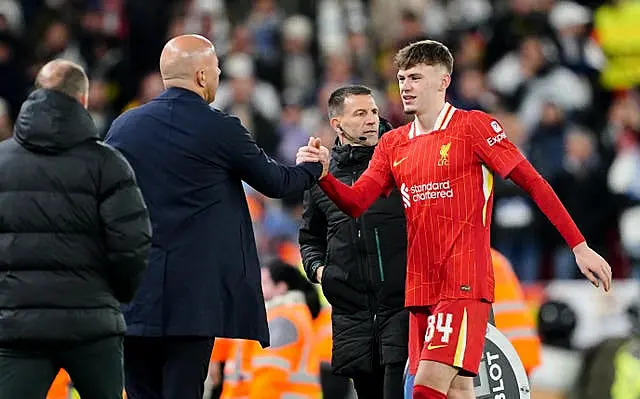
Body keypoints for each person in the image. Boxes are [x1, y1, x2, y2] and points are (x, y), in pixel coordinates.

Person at [296, 39, 612, 399]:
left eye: (415, 77)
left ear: (443, 81)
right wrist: (323, 175)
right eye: (401, 78)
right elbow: (354, 204)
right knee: (459, 391)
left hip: (461, 283)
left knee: (425, 391)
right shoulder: (393, 143)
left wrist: (579, 245)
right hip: (417, 293)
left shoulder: (474, 127)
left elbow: (535, 184)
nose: (405, 87)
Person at [104, 34, 322, 399]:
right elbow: (275, 182)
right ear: (203, 76)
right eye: (217, 70)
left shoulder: (123, 128)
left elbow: (105, 202)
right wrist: (313, 168)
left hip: (134, 295)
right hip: (194, 300)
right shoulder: (219, 127)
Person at [0, 59, 151, 399]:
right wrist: (115, 296)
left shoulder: (1, 163)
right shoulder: (108, 164)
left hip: (17, 326)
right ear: (83, 100)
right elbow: (133, 243)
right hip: (92, 326)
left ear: (34, 94)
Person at [299, 84, 408, 398]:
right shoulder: (322, 176)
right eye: (360, 113)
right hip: (352, 314)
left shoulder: (400, 160)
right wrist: (322, 272)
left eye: (373, 111)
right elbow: (309, 237)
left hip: (400, 307)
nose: (371, 119)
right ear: (338, 124)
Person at [250, 261, 322, 399]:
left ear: (281, 287)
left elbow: (270, 374)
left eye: (264, 283)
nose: (259, 288)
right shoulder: (295, 312)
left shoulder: (282, 318)